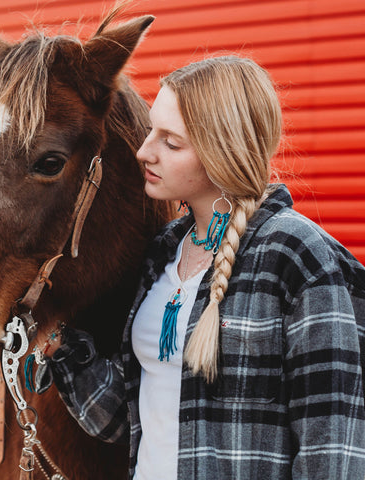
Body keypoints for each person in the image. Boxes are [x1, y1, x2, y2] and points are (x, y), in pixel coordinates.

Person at [36, 55, 365, 479]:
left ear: (222, 150)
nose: (143, 152)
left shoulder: (296, 257)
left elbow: (333, 450)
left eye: (171, 143)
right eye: (152, 131)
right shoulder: (163, 253)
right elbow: (127, 418)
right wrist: (60, 344)